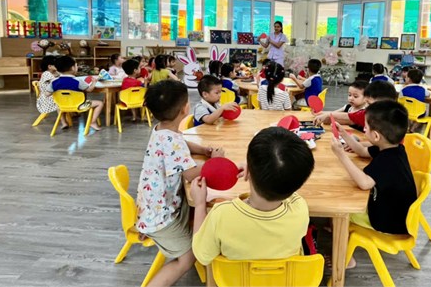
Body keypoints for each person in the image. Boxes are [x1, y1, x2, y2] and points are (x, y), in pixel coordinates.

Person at [135, 80, 225, 287]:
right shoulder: (172, 140)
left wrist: (203, 150)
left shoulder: (162, 130)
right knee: (188, 258)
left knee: (198, 210)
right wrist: (215, 161)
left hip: (154, 205)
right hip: (160, 216)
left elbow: (181, 141)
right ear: (185, 109)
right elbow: (191, 174)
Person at [191, 127, 315, 265]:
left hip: (237, 277)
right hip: (288, 276)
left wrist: (200, 204)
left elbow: (202, 255)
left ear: (247, 172)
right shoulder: (300, 208)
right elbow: (286, 182)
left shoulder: (220, 215)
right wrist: (254, 169)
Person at [330, 101, 416, 269]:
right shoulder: (392, 149)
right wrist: (344, 134)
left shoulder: (387, 160)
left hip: (388, 221)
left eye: (366, 128)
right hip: (396, 212)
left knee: (338, 214)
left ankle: (347, 260)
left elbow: (364, 183)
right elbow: (362, 151)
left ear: (376, 136)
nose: (363, 129)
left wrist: (341, 155)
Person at [46, 55, 103, 131]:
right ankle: (93, 122)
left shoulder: (54, 82)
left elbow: (47, 94)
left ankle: (64, 123)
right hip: (79, 106)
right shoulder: (78, 81)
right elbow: (89, 90)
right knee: (100, 103)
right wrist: (94, 82)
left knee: (58, 105)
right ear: (73, 68)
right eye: (76, 66)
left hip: (63, 105)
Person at [314, 81, 397, 132]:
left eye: (370, 104)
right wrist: (325, 114)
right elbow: (346, 117)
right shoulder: (366, 113)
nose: (368, 108)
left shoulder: (393, 125)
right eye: (349, 95)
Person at [36, 55, 68, 129]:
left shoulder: (56, 72)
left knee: (68, 96)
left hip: (55, 94)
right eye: (56, 64)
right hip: (47, 98)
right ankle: (63, 122)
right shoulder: (46, 74)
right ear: (49, 66)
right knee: (59, 103)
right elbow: (56, 82)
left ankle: (73, 112)